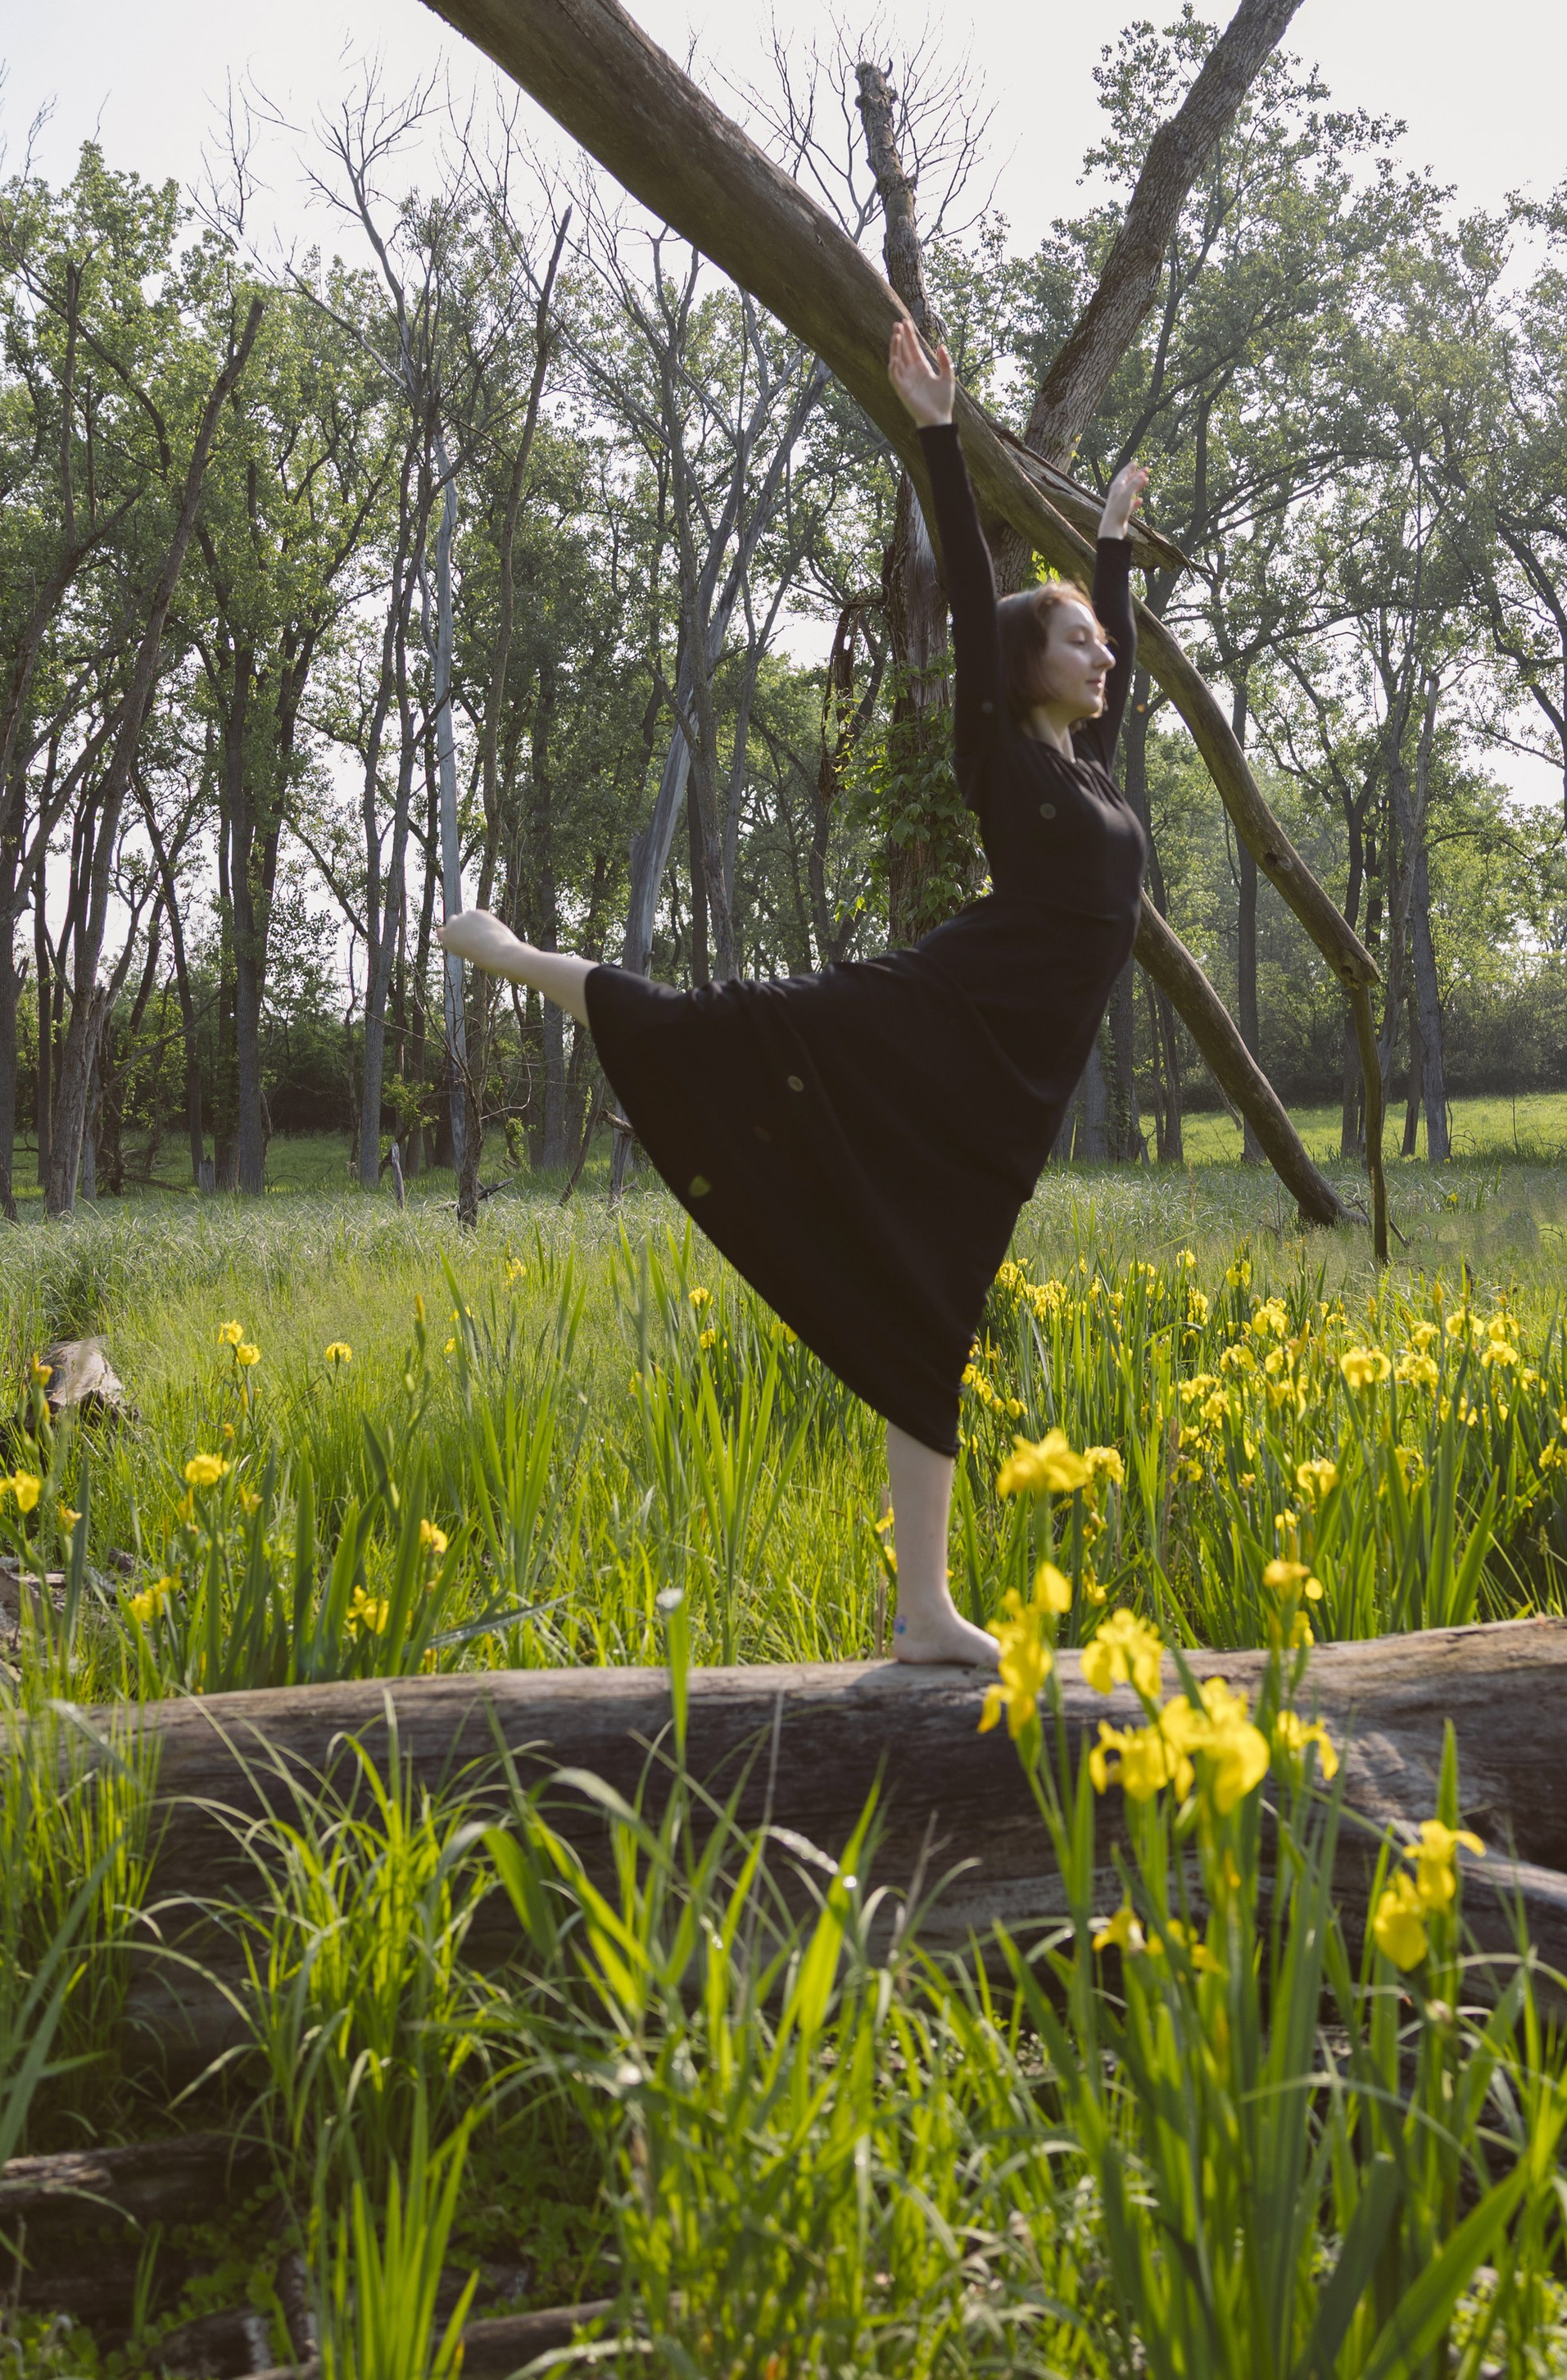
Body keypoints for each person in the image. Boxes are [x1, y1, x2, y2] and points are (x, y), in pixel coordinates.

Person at [437, 315, 1150, 1665]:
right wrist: (937, 431)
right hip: (941, 1018)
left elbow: (1113, 643)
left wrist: (1107, 543)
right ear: (1021, 670)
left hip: (1010, 1086)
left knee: (934, 1299)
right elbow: (960, 598)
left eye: (1099, 646)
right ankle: (530, 960)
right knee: (733, 1027)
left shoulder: (1093, 765)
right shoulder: (1005, 760)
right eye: (1073, 641)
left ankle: (922, 1610)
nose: (1102, 656)